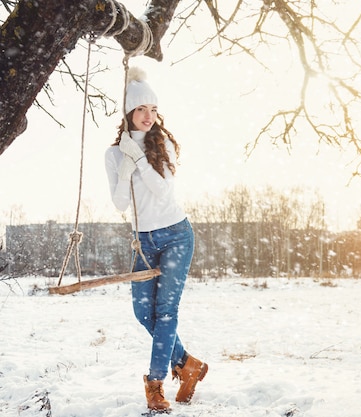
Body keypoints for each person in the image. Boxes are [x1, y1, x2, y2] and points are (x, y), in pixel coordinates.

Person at [104, 67, 208, 412]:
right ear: (128, 113)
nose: (148, 117)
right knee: (141, 311)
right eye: (140, 110)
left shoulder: (161, 144)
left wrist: (141, 160)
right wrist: (127, 166)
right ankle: (188, 364)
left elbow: (163, 192)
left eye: (153, 109)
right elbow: (120, 203)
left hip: (177, 234)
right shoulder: (114, 153)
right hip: (143, 241)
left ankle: (155, 383)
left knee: (165, 313)